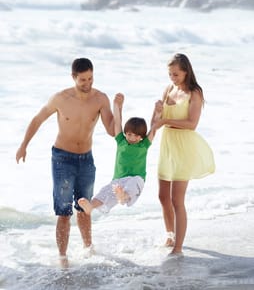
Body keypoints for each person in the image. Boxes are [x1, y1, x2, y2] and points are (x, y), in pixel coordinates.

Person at [16, 58, 115, 266]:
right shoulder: (61, 98)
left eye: (90, 78)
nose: (87, 84)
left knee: (84, 208)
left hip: (86, 159)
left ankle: (89, 250)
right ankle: (63, 257)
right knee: (63, 210)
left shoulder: (100, 99)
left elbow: (111, 130)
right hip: (62, 158)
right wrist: (24, 144)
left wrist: (119, 109)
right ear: (73, 77)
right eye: (82, 80)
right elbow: (38, 119)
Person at [151, 53, 215, 258]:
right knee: (162, 197)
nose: (172, 78)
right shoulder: (168, 89)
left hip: (184, 147)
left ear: (186, 71)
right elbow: (156, 121)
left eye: (176, 74)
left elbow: (191, 124)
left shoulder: (194, 92)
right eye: (170, 74)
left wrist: (164, 122)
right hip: (167, 147)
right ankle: (170, 235)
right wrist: (157, 112)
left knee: (176, 199)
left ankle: (178, 247)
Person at [78, 93, 161, 215]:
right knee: (105, 192)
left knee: (131, 185)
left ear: (142, 137)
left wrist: (157, 112)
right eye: (129, 134)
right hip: (118, 180)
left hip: (136, 178)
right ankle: (91, 206)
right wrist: (117, 105)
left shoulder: (144, 145)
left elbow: (154, 127)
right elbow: (117, 121)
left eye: (137, 136)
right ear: (126, 133)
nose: (132, 138)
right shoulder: (121, 141)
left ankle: (124, 196)